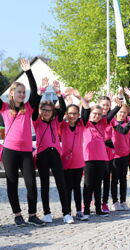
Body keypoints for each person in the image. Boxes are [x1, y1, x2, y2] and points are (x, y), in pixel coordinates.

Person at [1, 59, 44, 226]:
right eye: (19, 92)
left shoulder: (29, 107)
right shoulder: (4, 108)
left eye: (22, 92)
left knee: (31, 183)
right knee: (12, 184)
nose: (22, 94)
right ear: (12, 93)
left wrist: (28, 71)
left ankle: (32, 214)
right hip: (10, 151)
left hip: (26, 151)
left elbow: (34, 91)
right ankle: (17, 214)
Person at [32, 78, 74, 224]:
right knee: (44, 185)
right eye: (43, 110)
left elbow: (62, 109)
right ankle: (47, 212)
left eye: (49, 110)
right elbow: (34, 105)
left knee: (61, 183)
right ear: (40, 111)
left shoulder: (56, 121)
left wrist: (58, 93)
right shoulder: (36, 122)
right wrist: (41, 91)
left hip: (55, 154)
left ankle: (66, 213)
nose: (46, 112)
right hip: (42, 154)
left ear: (52, 112)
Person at [60, 89, 89, 221]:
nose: (72, 116)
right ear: (67, 114)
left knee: (77, 187)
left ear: (78, 115)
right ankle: (66, 213)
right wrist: (63, 96)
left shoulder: (81, 125)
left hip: (78, 162)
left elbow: (87, 111)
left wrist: (80, 97)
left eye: (75, 113)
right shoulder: (62, 125)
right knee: (67, 188)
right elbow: (58, 112)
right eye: (70, 113)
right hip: (65, 162)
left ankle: (79, 211)